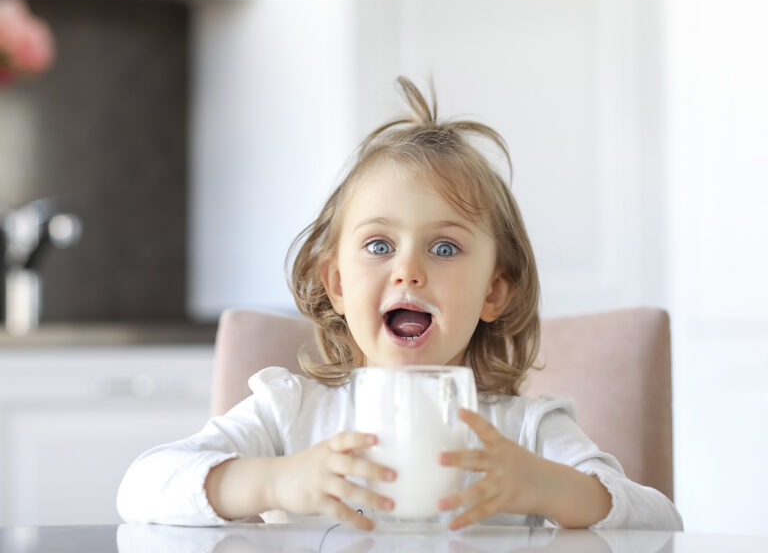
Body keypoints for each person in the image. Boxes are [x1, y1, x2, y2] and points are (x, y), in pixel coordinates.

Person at [117, 77, 683, 532]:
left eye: (444, 247)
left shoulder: (523, 431)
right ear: (337, 284)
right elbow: (142, 486)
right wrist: (276, 482)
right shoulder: (290, 413)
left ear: (493, 291)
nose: (408, 270)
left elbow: (661, 518)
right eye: (379, 245)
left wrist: (547, 486)